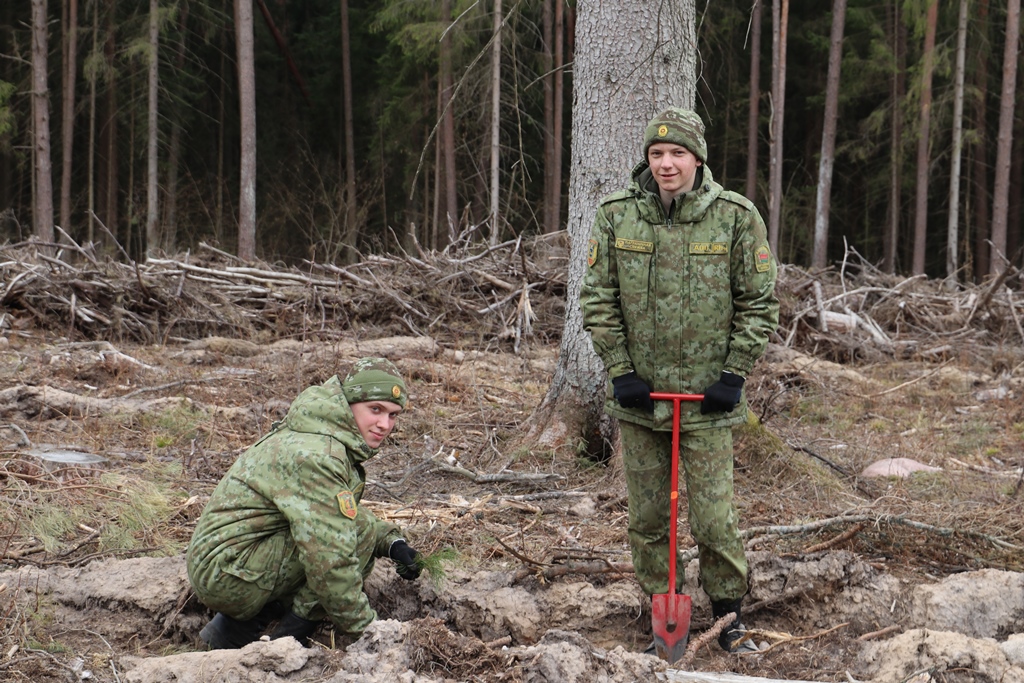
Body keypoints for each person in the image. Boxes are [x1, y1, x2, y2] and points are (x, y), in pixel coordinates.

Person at [580, 108, 779, 654]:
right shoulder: (617, 216)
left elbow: (759, 303)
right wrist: (620, 372)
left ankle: (728, 615)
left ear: (697, 158)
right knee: (648, 518)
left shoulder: (735, 218)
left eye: (677, 154)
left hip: (707, 402)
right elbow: (597, 299)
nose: (666, 164)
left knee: (715, 519)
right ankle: (663, 615)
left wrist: (733, 376)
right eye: (656, 154)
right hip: (640, 402)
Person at [186, 357, 423, 649]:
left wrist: (391, 542)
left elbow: (333, 513)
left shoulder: (316, 432)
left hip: (226, 562)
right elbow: (331, 557)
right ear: (348, 403)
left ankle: (238, 625)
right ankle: (290, 633)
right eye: (375, 410)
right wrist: (370, 632)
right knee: (348, 538)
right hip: (229, 574)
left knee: (351, 530)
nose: (384, 424)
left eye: (393, 415)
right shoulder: (319, 455)